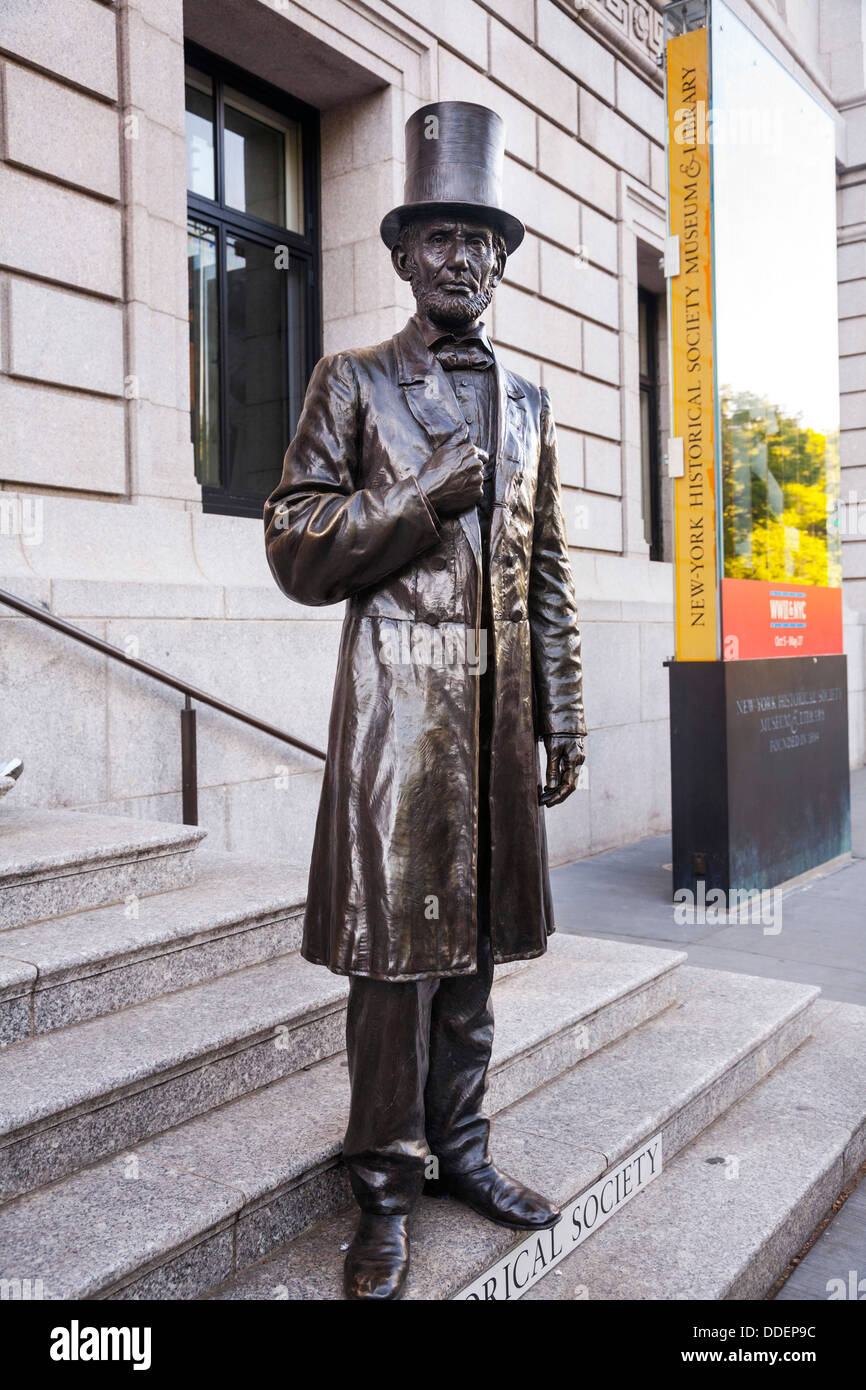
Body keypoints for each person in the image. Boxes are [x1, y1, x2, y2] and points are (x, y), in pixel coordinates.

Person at [264, 101, 586, 1300]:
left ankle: (463, 1150)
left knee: (477, 962)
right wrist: (418, 502)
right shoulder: (350, 381)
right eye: (441, 237)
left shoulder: (528, 400)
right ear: (401, 255)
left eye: (482, 240)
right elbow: (295, 545)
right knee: (393, 972)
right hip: (399, 719)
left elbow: (545, 568)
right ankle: (384, 1188)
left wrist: (561, 710)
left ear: (499, 259)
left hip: (496, 723)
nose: (464, 259)